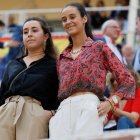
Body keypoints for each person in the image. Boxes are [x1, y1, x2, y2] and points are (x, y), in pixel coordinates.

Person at [49, 2, 135, 139]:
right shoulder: (61, 56)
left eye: (72, 17)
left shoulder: (99, 47)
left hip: (90, 106)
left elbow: (127, 80)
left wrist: (111, 102)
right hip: (63, 110)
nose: (68, 22)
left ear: (84, 19)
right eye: (64, 19)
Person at [0, 16, 58, 140]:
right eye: (25, 32)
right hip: (5, 112)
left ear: (46, 36)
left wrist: (49, 113)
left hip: (34, 114)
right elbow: (2, 92)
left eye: (34, 30)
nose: (29, 35)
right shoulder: (13, 64)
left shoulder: (55, 65)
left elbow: (61, 95)